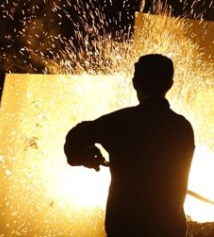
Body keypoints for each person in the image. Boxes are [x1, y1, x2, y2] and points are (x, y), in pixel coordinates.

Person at [64, 53, 196, 237]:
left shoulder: (119, 123)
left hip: (124, 228)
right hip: (169, 229)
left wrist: (84, 157)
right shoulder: (182, 128)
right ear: (170, 85)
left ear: (135, 82)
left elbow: (76, 136)